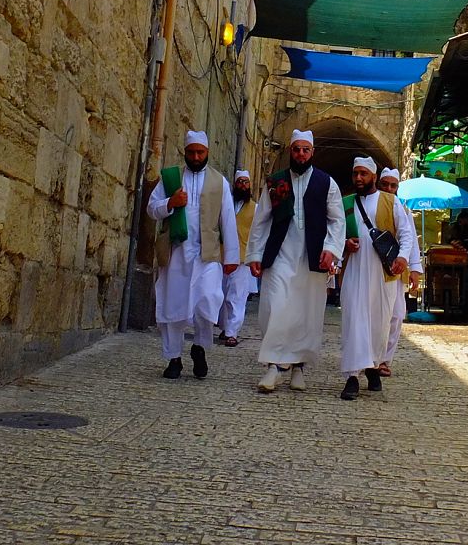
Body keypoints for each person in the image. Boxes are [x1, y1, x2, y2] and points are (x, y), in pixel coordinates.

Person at [245, 129, 344, 393]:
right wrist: (255, 254)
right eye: (297, 149)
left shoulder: (326, 183)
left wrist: (331, 249)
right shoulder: (276, 182)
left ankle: (298, 366)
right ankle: (274, 366)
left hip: (312, 258)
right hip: (280, 255)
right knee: (275, 307)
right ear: (291, 151)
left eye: (305, 150)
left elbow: (337, 220)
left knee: (306, 313)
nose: (301, 154)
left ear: (312, 152)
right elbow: (261, 219)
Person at [146, 130, 238, 379]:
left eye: (200, 152)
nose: (196, 157)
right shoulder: (171, 178)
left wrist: (231, 257)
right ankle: (173, 358)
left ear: (207, 152)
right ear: (185, 152)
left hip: (207, 255)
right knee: (173, 306)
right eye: (191, 152)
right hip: (176, 253)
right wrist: (170, 203)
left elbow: (228, 220)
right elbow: (151, 209)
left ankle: (199, 347)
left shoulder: (220, 182)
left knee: (208, 300)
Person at [338, 157, 417, 401]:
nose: (359, 178)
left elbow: (406, 234)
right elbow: (334, 233)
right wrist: (344, 244)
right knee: (353, 321)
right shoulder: (346, 203)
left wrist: (403, 258)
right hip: (354, 271)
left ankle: (373, 367)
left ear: (373, 176)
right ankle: (352, 377)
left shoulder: (390, 202)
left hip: (383, 274)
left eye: (363, 174)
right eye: (355, 174)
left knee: (379, 323)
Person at [376, 167, 422, 377]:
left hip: (396, 269)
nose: (388, 189)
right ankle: (371, 356)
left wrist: (415, 269)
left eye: (393, 186)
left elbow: (410, 240)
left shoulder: (404, 211)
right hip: (374, 268)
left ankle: (385, 359)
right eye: (385, 184)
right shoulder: (371, 206)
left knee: (396, 315)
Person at [217, 169, 258, 346]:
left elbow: (258, 234)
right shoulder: (225, 204)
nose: (243, 185)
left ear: (249, 185)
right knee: (222, 294)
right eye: (240, 182)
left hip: (242, 258)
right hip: (222, 255)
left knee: (236, 296)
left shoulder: (255, 208)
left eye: (245, 182)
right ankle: (225, 327)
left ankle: (232, 332)